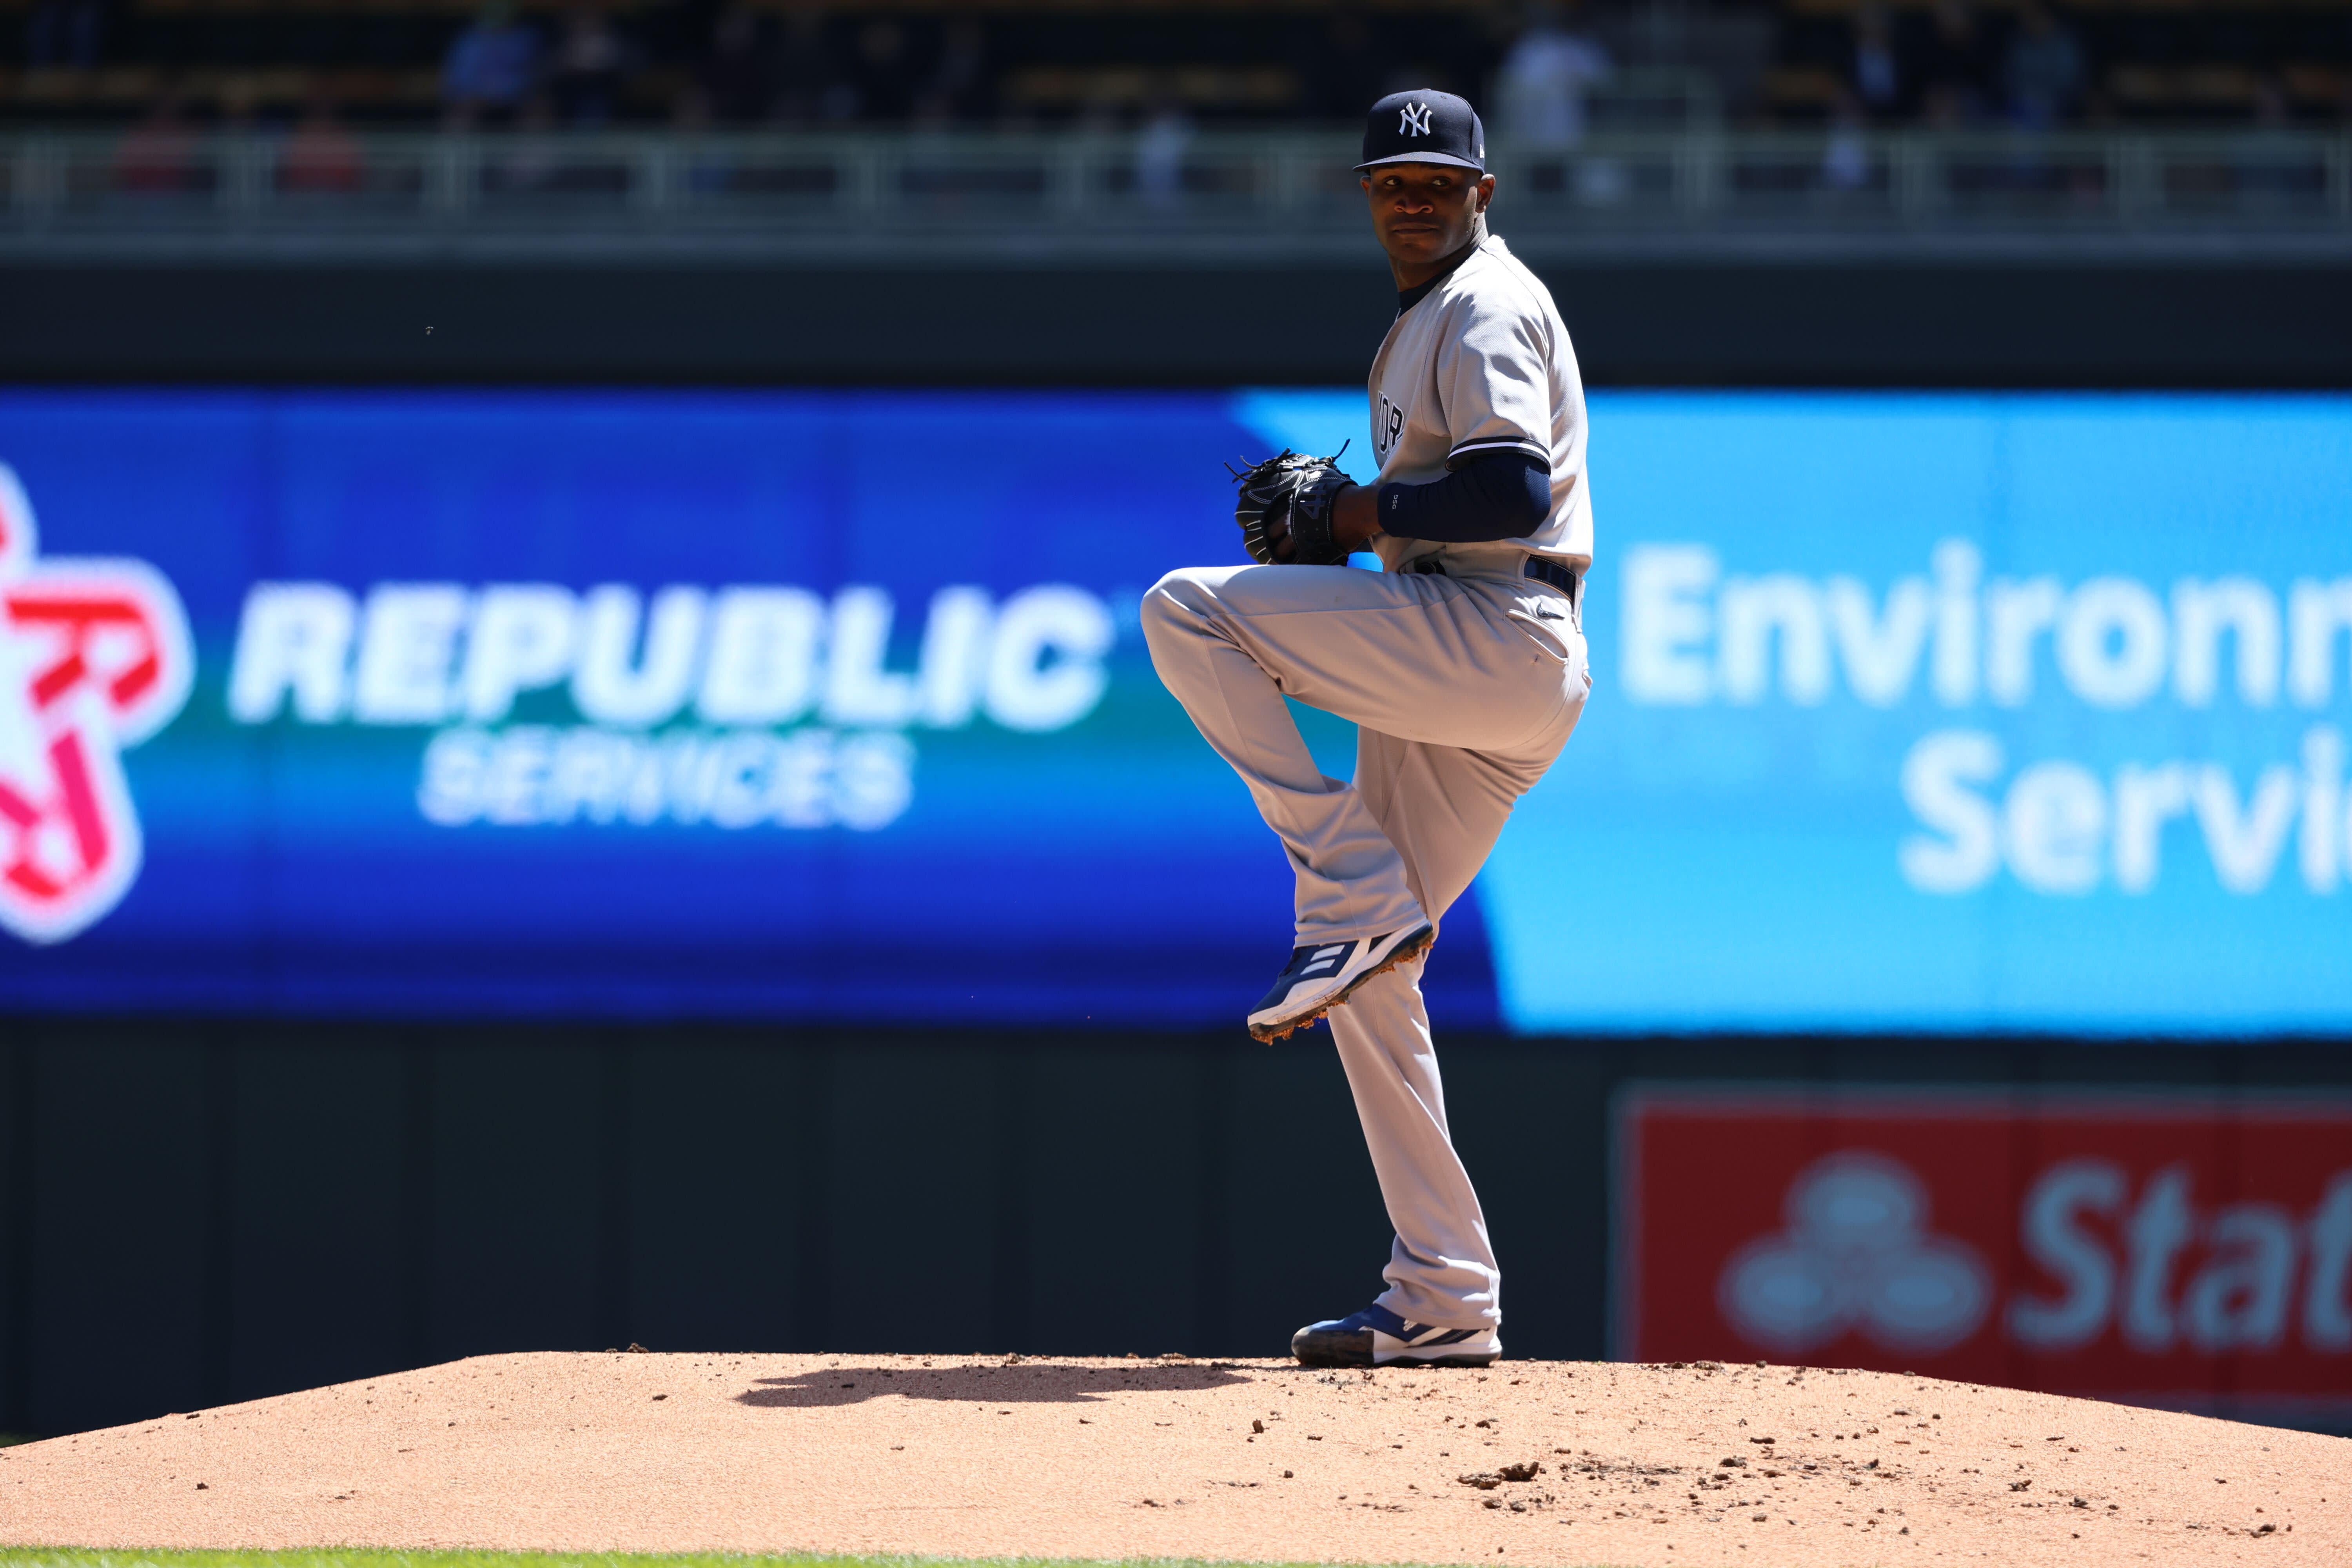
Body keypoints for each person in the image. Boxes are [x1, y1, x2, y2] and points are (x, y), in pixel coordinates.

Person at [1142, 89, 1592, 1370]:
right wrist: (1366, 522)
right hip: (1470, 666)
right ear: (1367, 195)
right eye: (1393, 181)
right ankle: (1446, 1294)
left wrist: (1346, 517)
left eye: (1436, 182)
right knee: (1368, 975)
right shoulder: (1423, 319)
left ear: (1482, 193)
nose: (1413, 198)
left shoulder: (1486, 303)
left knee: (1188, 611)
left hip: (1497, 632)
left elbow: (1509, 488)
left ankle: (1345, 882)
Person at [1494, 0, 1611, 149]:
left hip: (1574, 136)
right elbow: (1511, 88)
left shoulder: (1583, 46)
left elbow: (1604, 80)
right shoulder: (1528, 47)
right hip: (1528, 139)